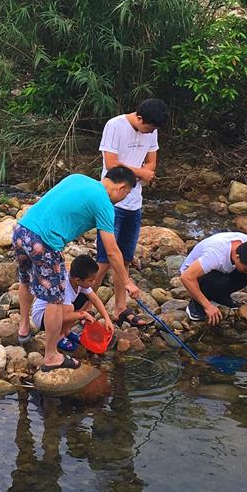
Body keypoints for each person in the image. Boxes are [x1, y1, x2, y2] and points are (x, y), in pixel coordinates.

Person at [14, 167, 141, 371]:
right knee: (55, 299)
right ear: (122, 186)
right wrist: (126, 281)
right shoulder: (104, 204)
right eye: (125, 194)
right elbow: (112, 251)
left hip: (23, 230)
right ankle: (51, 356)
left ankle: (24, 327)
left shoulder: (78, 178)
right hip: (45, 242)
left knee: (25, 280)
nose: (123, 199)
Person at [95, 98, 168, 328]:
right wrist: (142, 174)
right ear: (138, 118)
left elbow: (152, 161)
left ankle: (120, 308)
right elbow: (112, 164)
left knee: (125, 259)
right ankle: (82, 307)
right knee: (105, 260)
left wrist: (145, 172)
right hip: (112, 201)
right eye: (148, 128)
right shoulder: (115, 126)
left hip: (134, 203)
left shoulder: (151, 130)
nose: (150, 133)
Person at [30, 254, 113, 352]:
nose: (94, 282)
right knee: (70, 309)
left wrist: (107, 319)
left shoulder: (78, 282)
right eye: (91, 280)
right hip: (42, 317)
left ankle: (66, 331)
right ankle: (58, 337)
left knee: (84, 298)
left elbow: (95, 299)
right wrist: (84, 314)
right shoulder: (65, 288)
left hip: (56, 314)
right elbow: (65, 316)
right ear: (78, 280)